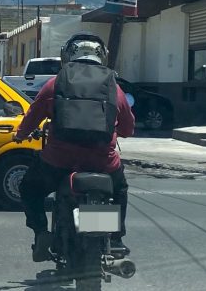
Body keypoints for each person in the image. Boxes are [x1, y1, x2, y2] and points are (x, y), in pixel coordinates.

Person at [13, 32, 135, 262]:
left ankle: (41, 232)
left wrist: (21, 135)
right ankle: (116, 238)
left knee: (29, 188)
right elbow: (128, 128)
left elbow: (33, 115)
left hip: (59, 162)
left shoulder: (56, 83)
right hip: (102, 164)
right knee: (119, 189)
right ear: (103, 56)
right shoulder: (114, 87)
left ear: (67, 55)